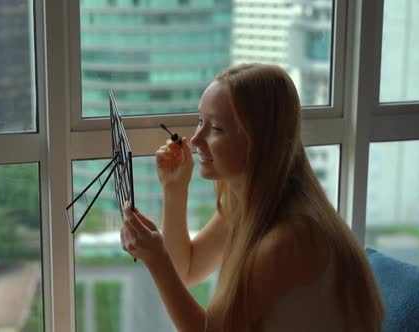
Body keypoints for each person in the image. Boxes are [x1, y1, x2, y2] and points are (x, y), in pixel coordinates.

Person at [120, 63, 385, 331]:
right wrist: (175, 190)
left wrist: (156, 258)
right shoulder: (248, 206)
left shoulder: (288, 239)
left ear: (258, 140)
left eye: (216, 129)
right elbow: (186, 270)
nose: (196, 139)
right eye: (200, 121)